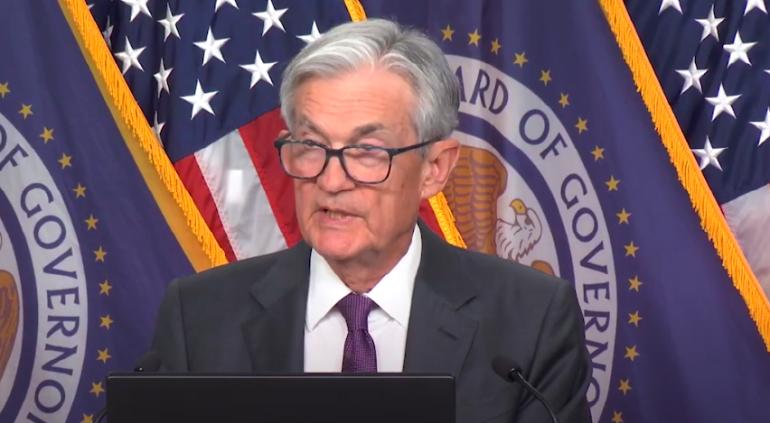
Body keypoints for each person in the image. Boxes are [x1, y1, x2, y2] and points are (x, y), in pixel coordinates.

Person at [150, 18, 591, 423]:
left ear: (434, 169)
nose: (331, 180)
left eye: (367, 152)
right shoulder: (199, 317)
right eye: (311, 145)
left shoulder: (531, 320)